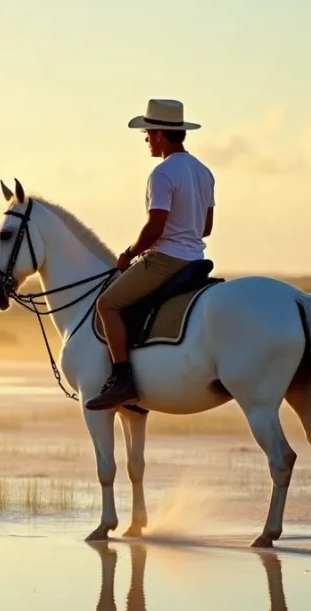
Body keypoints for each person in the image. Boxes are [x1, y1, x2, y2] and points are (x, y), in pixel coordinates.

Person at [84, 98, 216, 411]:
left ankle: (122, 381)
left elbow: (155, 227)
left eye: (147, 134)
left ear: (159, 134)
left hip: (165, 260)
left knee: (107, 303)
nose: (145, 140)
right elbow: (206, 227)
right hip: (196, 260)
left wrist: (129, 254)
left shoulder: (162, 174)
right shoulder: (204, 172)